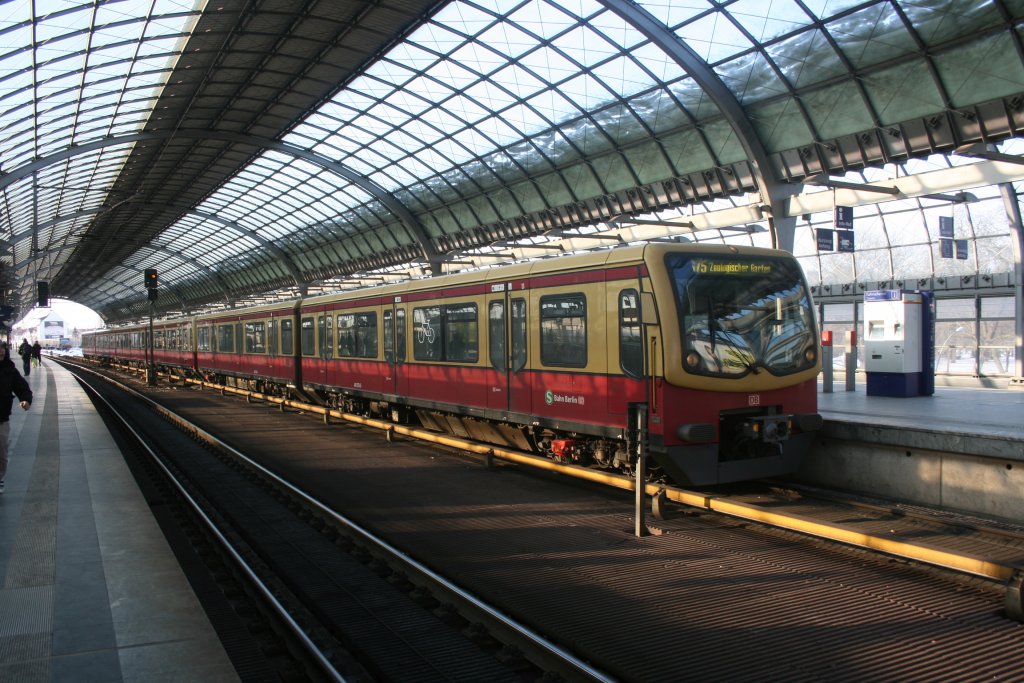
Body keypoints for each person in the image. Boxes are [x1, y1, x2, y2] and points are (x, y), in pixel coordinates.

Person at [0, 340, 32, 493]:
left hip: (1, 417)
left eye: (2, 349)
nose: (1, 352)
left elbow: (21, 387)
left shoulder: (9, 369)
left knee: (1, 451)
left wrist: (25, 399)